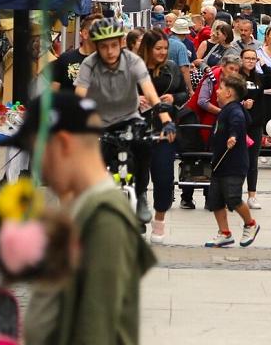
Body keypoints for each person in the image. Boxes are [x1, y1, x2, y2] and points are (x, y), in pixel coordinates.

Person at [22, 92, 155, 345]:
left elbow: (97, 318)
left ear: (61, 143)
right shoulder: (80, 207)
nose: (40, 170)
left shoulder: (106, 217)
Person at [75, 19, 176, 226]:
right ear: (95, 46)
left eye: (114, 45)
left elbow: (149, 90)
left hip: (130, 118)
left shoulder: (133, 60)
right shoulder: (89, 64)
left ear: (121, 42)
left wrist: (165, 119)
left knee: (143, 145)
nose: (110, 51)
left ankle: (139, 197)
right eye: (103, 46)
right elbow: (79, 96)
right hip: (100, 122)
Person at [138, 30, 190, 245]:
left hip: (164, 130)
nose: (162, 52)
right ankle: (137, 209)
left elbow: (185, 93)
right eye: (157, 48)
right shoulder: (134, 69)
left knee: (164, 178)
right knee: (138, 177)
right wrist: (136, 99)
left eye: (165, 49)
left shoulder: (171, 69)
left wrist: (174, 97)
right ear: (147, 49)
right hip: (138, 129)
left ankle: (159, 220)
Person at [204, 72, 261, 248]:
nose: (217, 91)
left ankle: (251, 224)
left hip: (234, 163)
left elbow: (238, 124)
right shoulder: (225, 110)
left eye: (220, 88)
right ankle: (224, 233)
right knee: (215, 200)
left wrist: (234, 136)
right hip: (220, 162)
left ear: (228, 93)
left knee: (233, 198)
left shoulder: (235, 110)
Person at [236, 46, 271, 211]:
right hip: (239, 123)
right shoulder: (236, 77)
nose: (250, 61)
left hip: (255, 123)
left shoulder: (259, 78)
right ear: (241, 60)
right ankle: (235, 194)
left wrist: (263, 64)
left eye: (253, 58)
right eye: (247, 58)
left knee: (251, 161)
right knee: (238, 160)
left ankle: (252, 195)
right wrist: (242, 104)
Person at [52, 15, 96, 92]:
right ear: (85, 34)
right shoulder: (65, 59)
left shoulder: (104, 61)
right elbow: (53, 92)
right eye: (98, 29)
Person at [167, 17, 195, 82]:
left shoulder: (167, 41)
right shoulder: (181, 46)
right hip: (177, 80)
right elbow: (184, 70)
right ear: (184, 33)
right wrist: (190, 90)